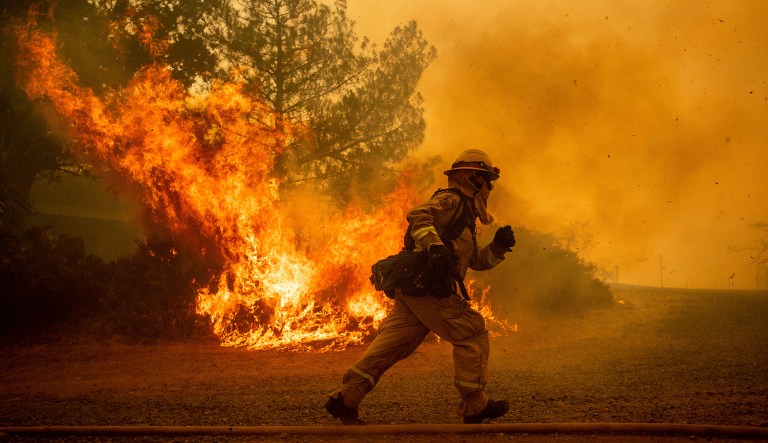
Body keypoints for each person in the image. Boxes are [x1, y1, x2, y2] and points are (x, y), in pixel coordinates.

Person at [325, 148, 517, 425]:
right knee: (471, 332)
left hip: (415, 291)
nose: (489, 187)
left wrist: (498, 248)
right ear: (474, 178)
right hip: (427, 287)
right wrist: (435, 246)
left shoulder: (465, 215)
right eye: (487, 180)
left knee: (392, 346)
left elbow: (473, 261)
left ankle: (345, 399)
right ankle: (475, 405)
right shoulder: (451, 200)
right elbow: (418, 216)